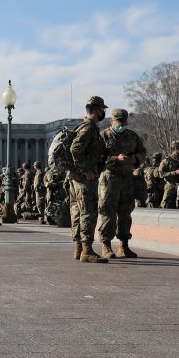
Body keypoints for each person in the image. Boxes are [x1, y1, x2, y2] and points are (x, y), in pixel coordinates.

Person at [96, 109, 146, 258]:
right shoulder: (104, 136)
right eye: (118, 123)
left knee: (125, 213)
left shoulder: (132, 136)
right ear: (111, 121)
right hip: (110, 179)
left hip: (127, 179)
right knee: (108, 213)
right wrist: (115, 159)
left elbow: (142, 152)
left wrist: (134, 159)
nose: (121, 125)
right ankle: (106, 245)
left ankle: (124, 245)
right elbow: (97, 158)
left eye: (123, 123)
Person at [68, 96, 109, 263]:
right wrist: (86, 170)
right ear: (96, 109)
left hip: (75, 177)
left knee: (77, 212)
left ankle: (78, 249)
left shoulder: (80, 126)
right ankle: (87, 250)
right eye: (102, 109)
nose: (103, 112)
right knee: (88, 212)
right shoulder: (89, 128)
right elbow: (75, 149)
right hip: (84, 179)